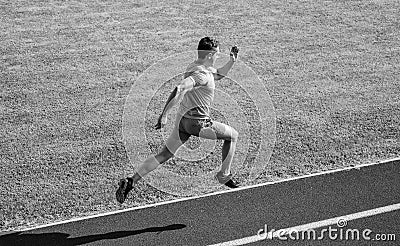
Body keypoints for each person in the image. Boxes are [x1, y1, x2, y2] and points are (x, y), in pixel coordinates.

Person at [116, 37, 240, 204]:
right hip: (198, 124)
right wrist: (164, 114)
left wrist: (231, 61)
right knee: (233, 135)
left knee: (164, 154)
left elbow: (217, 75)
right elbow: (180, 88)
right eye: (217, 54)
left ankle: (131, 181)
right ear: (210, 54)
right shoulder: (201, 74)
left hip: (182, 122)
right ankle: (224, 175)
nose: (218, 57)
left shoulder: (197, 67)